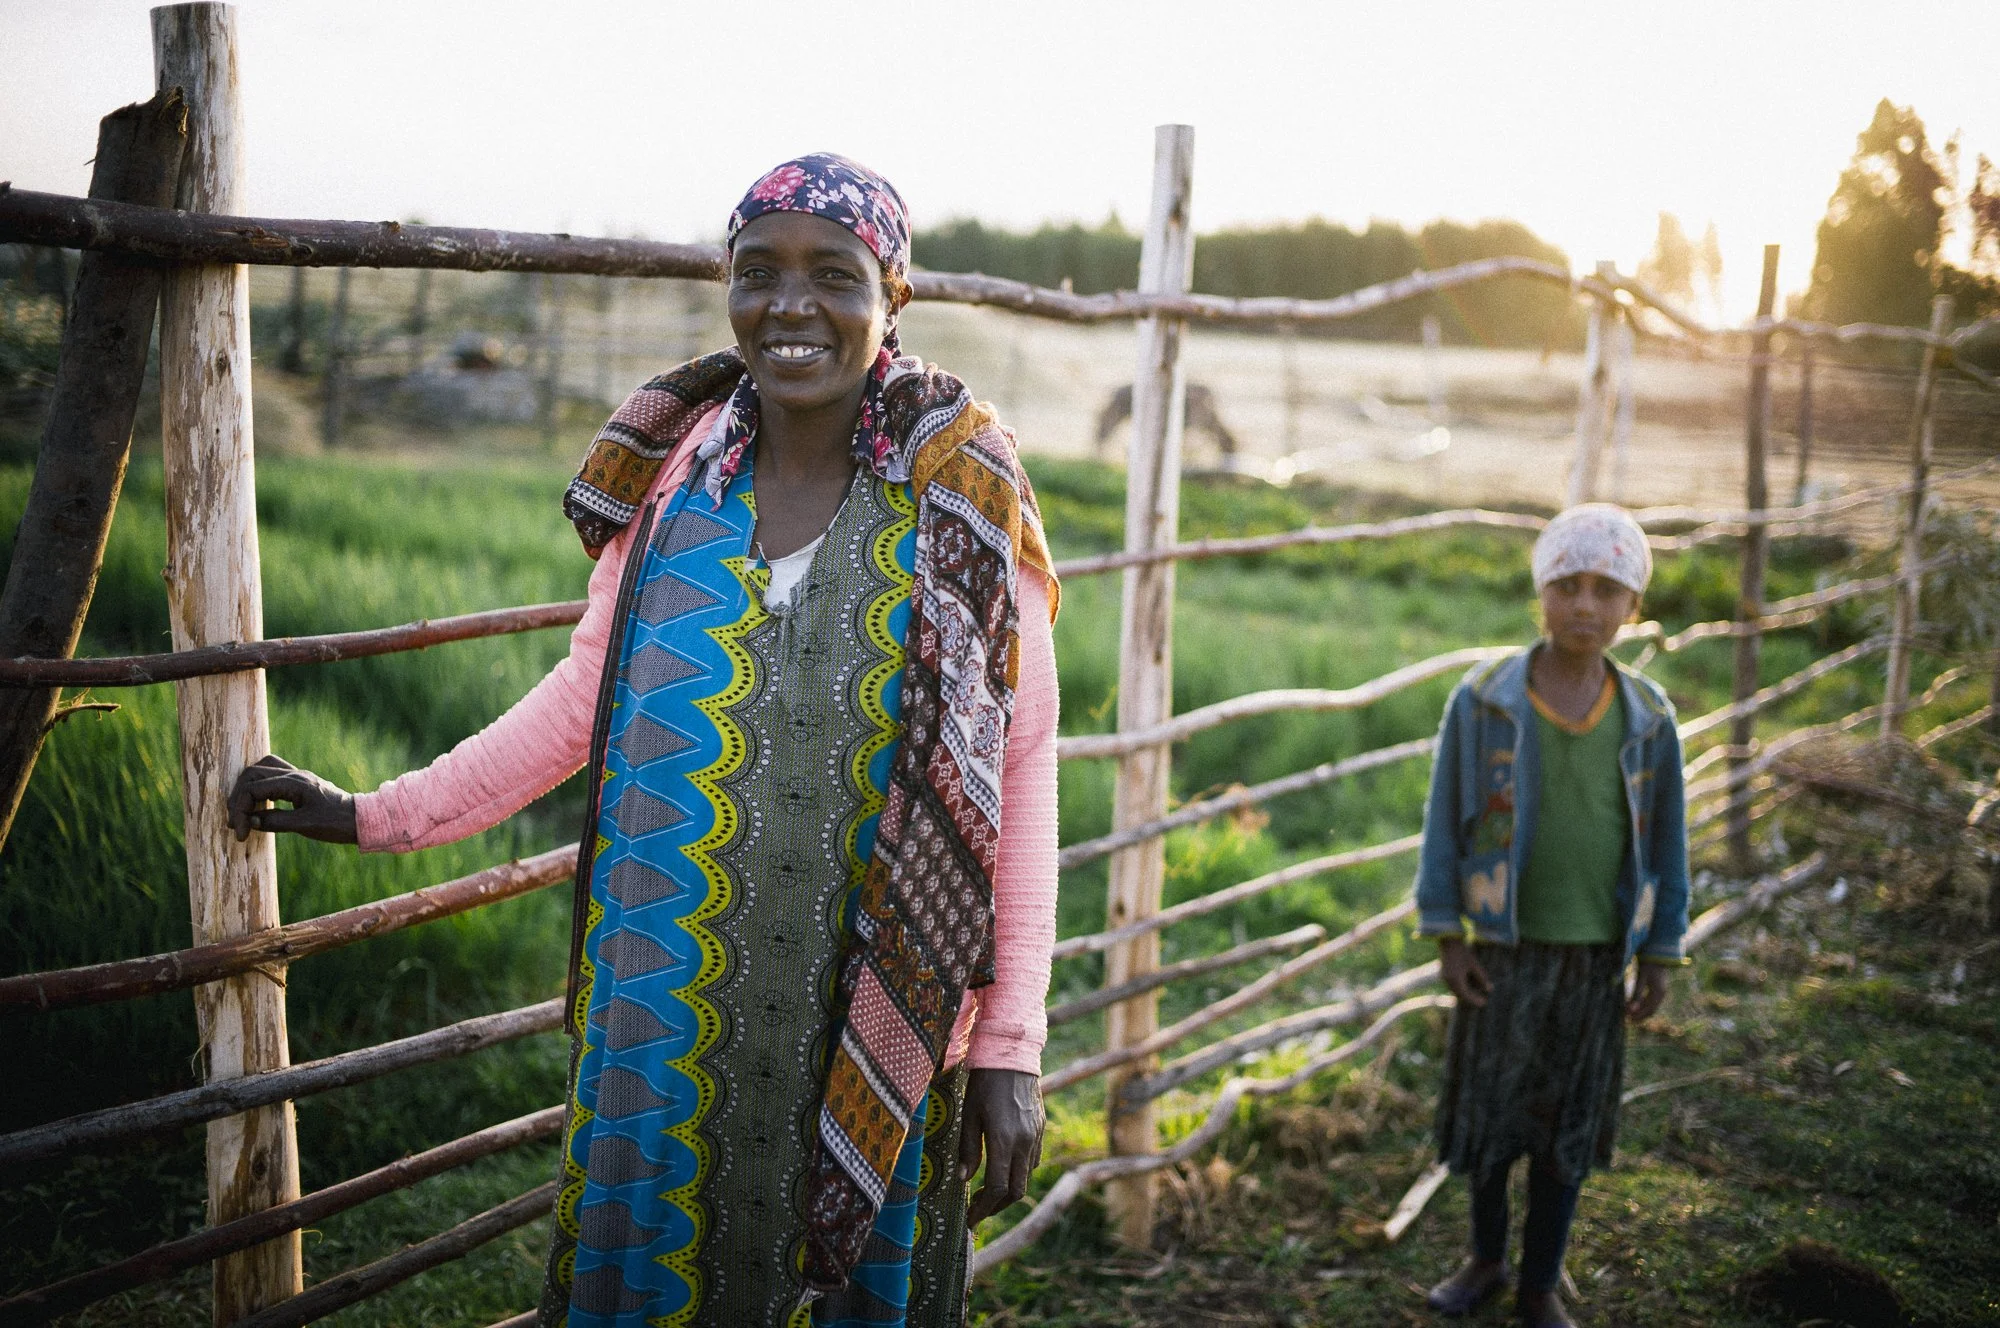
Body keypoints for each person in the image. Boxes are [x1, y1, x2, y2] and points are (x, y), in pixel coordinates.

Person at [229, 154, 1061, 1328]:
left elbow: (1016, 775)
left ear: (893, 298)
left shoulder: (960, 501)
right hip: (657, 1007)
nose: (791, 305)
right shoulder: (674, 480)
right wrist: (379, 812)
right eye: (757, 271)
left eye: (834, 274)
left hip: (874, 1012)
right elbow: (582, 704)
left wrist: (1010, 1043)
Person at [1412, 504, 1689, 1328]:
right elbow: (1444, 818)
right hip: (1503, 947)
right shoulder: (1486, 702)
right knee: (1491, 1118)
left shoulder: (1648, 721)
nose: (1584, 606)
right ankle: (1487, 1258)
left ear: (1633, 607)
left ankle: (1541, 1282)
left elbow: (1670, 843)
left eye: (1607, 589)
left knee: (1567, 1124)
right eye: (1566, 585)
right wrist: (1446, 931)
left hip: (1599, 956)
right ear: (1540, 593)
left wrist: (1661, 952)